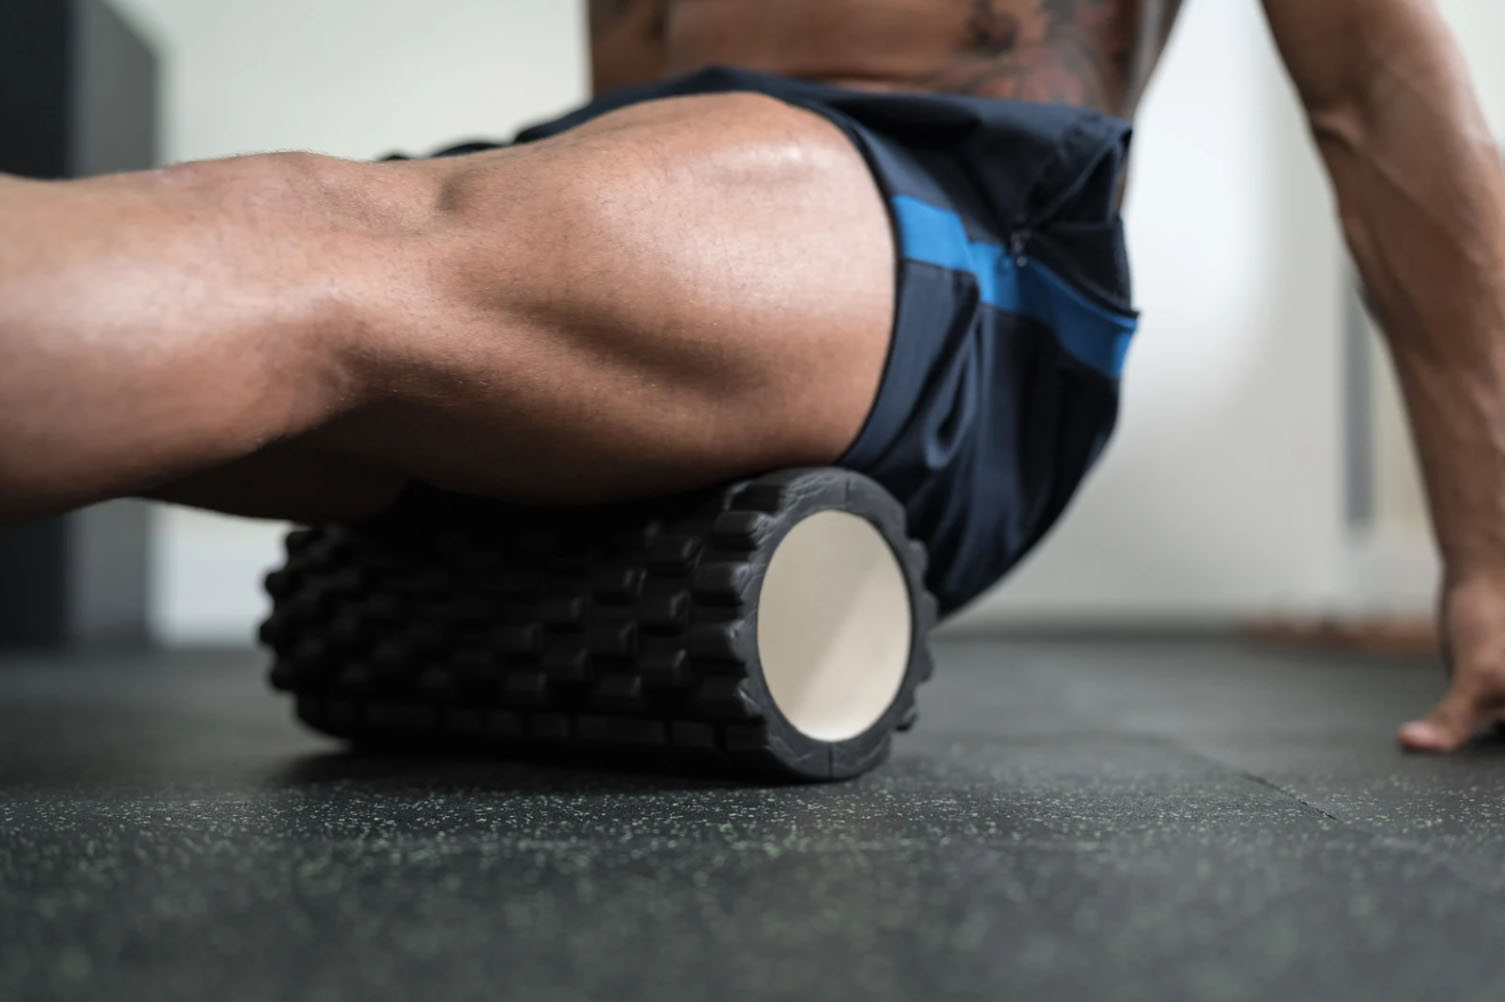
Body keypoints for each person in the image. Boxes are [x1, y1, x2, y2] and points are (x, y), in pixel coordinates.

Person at [1, 0, 1502, 752]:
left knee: (297, 251)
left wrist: (1491, 548)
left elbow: (1374, 90)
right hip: (641, 187)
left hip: (944, 219)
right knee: (255, 266)